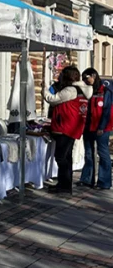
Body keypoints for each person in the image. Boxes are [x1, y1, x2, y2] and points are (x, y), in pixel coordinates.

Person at [42, 66, 93, 194]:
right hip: (73, 127)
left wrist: (44, 89)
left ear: (67, 76)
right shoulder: (83, 90)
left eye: (62, 75)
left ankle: (64, 186)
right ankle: (64, 185)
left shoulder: (71, 90)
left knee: (61, 157)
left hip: (65, 127)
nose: (60, 77)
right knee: (66, 157)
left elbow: (53, 99)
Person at [78, 68, 112, 190]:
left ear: (93, 76)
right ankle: (87, 179)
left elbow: (107, 110)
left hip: (102, 127)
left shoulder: (105, 90)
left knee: (103, 154)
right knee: (88, 153)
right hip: (88, 126)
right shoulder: (87, 90)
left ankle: (104, 182)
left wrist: (102, 127)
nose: (85, 81)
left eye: (86, 78)